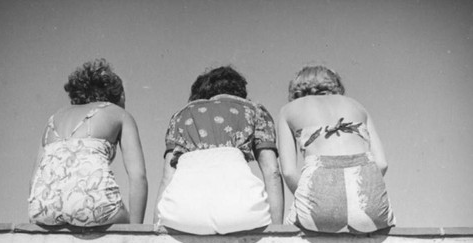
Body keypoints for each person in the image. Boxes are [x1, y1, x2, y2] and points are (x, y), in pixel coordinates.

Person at [155, 66, 284, 234]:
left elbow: (167, 177)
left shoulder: (180, 116)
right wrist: (278, 230)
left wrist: (154, 228)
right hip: (241, 211)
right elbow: (272, 171)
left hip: (182, 213)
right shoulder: (254, 111)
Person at [28, 58, 148, 226]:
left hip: (43, 209)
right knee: (126, 221)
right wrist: (136, 233)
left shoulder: (53, 119)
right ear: (119, 94)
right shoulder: (120, 114)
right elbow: (138, 177)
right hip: (95, 206)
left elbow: (35, 179)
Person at [278, 65, 395, 233]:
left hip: (318, 199)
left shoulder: (288, 110)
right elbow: (382, 164)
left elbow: (288, 172)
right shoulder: (358, 106)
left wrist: (316, 199)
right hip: (369, 201)